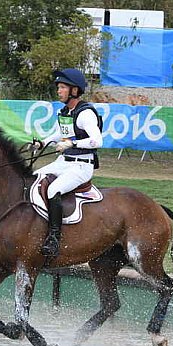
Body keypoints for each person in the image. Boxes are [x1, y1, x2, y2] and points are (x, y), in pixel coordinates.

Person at [32, 68, 103, 257]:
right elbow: (58, 134)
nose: (59, 91)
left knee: (53, 190)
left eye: (62, 87)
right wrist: (43, 143)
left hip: (81, 165)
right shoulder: (65, 111)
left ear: (74, 90)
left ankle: (54, 238)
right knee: (31, 180)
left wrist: (72, 143)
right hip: (63, 162)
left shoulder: (85, 113)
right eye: (59, 87)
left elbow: (97, 141)